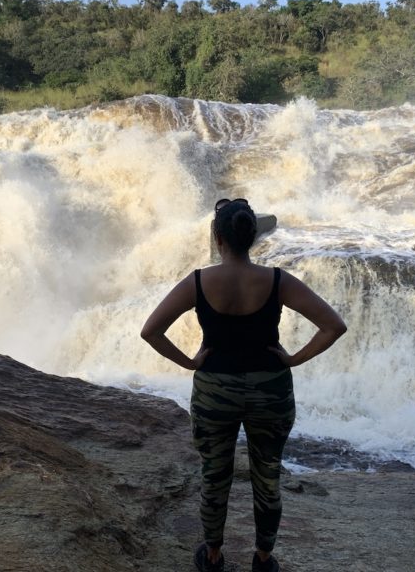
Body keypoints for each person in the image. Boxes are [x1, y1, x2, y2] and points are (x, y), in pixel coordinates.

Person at [141, 198, 347, 572]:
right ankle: (264, 557)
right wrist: (293, 358)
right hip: (270, 391)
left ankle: (214, 555)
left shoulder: (199, 282)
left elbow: (150, 331)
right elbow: (334, 326)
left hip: (214, 391)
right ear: (252, 236)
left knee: (214, 474)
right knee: (267, 475)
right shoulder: (277, 281)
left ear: (218, 237)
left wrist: (189, 362)